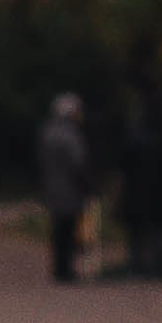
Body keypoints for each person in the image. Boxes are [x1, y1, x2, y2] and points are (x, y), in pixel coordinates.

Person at [118, 90, 162, 278]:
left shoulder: (134, 139)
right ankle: (157, 266)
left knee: (137, 232)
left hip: (136, 192)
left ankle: (136, 266)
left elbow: (123, 165)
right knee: (159, 231)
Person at [36, 91, 96, 282]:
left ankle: (59, 268)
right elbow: (79, 161)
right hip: (70, 188)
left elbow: (40, 161)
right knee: (69, 229)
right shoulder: (72, 134)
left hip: (51, 186)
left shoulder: (47, 131)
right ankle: (66, 269)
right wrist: (88, 183)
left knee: (58, 229)